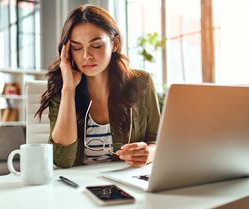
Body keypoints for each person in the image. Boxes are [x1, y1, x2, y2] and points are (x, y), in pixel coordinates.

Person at [36, 4, 160, 168]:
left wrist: (148, 153)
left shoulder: (141, 82)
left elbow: (159, 141)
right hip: (79, 187)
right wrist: (68, 89)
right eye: (77, 47)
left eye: (96, 45)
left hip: (126, 182)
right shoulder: (63, 87)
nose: (86, 56)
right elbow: (63, 160)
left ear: (114, 44)